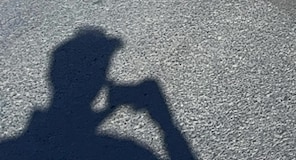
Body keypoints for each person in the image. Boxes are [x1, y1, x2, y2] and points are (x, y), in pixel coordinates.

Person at [0, 28, 196, 160]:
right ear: (99, 80)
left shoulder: (7, 149)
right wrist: (166, 124)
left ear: (52, 78)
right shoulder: (122, 150)